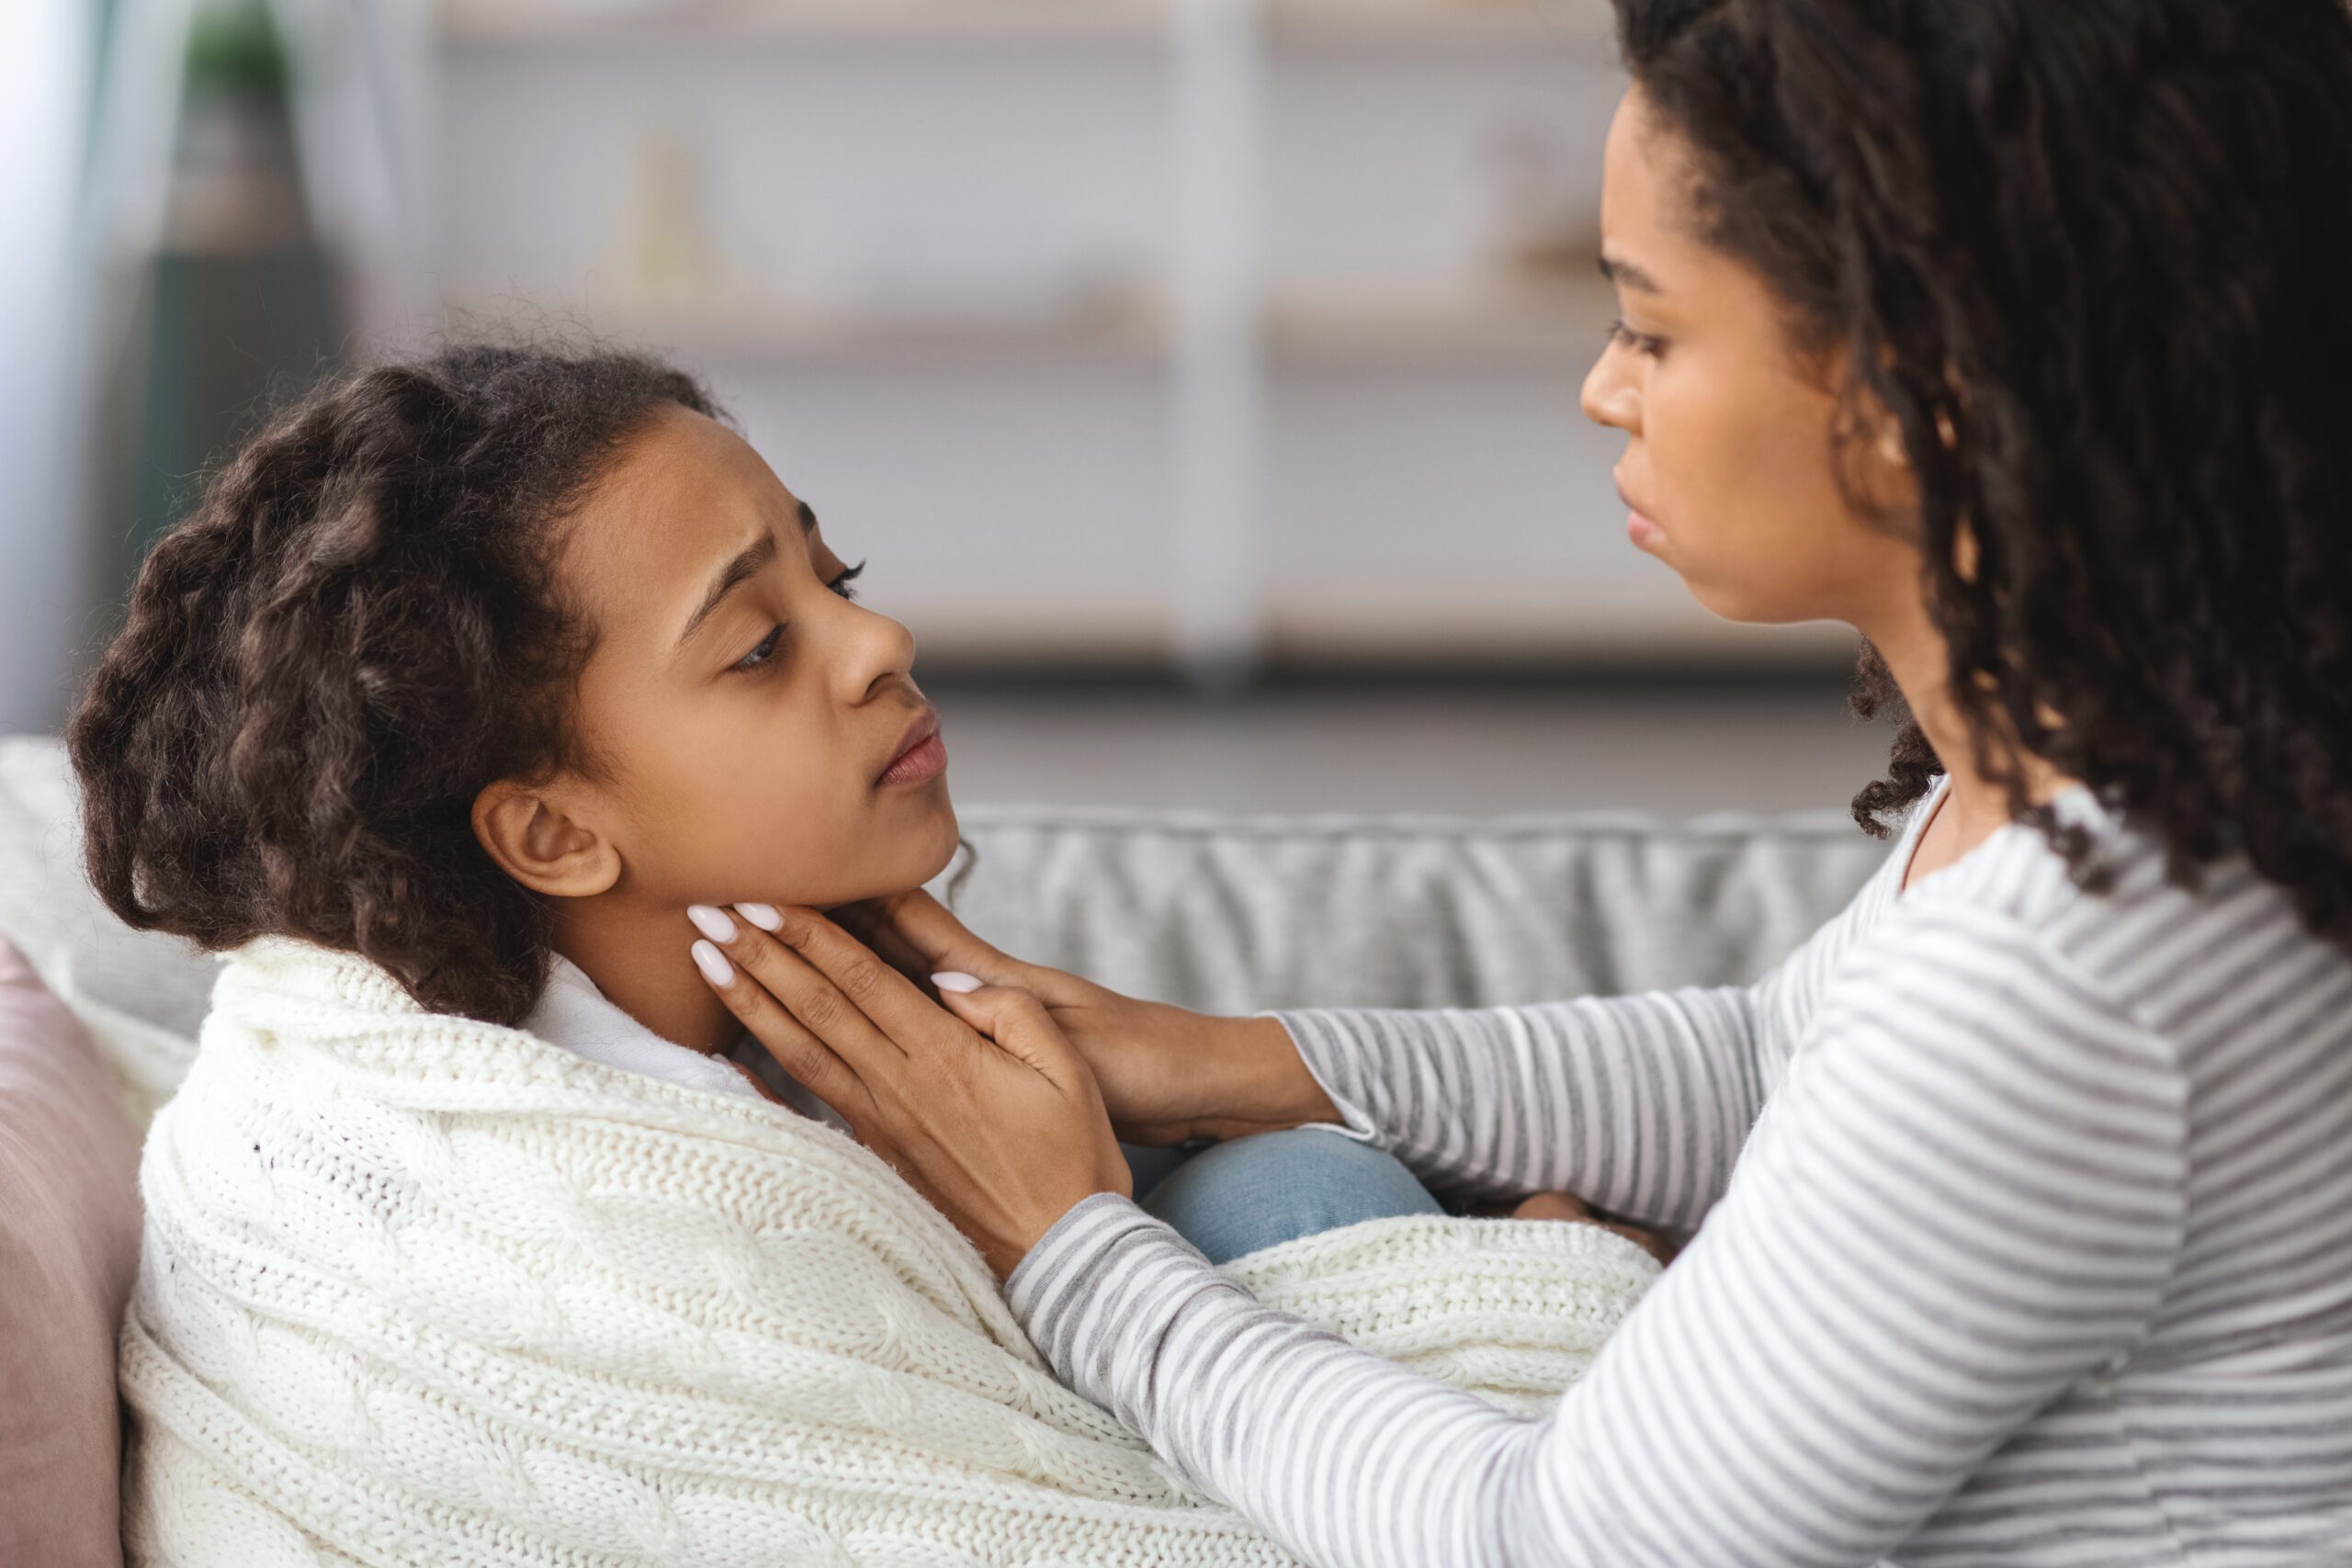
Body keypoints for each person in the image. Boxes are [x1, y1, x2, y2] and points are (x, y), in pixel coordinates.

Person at [687, 1, 2352, 1562]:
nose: (1600, 384)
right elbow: (1783, 1056)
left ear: (1931, 389)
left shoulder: (2075, 975)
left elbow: (1547, 1544)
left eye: (1650, 324)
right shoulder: (2139, 761)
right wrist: (1235, 1059)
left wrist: (1062, 1246)